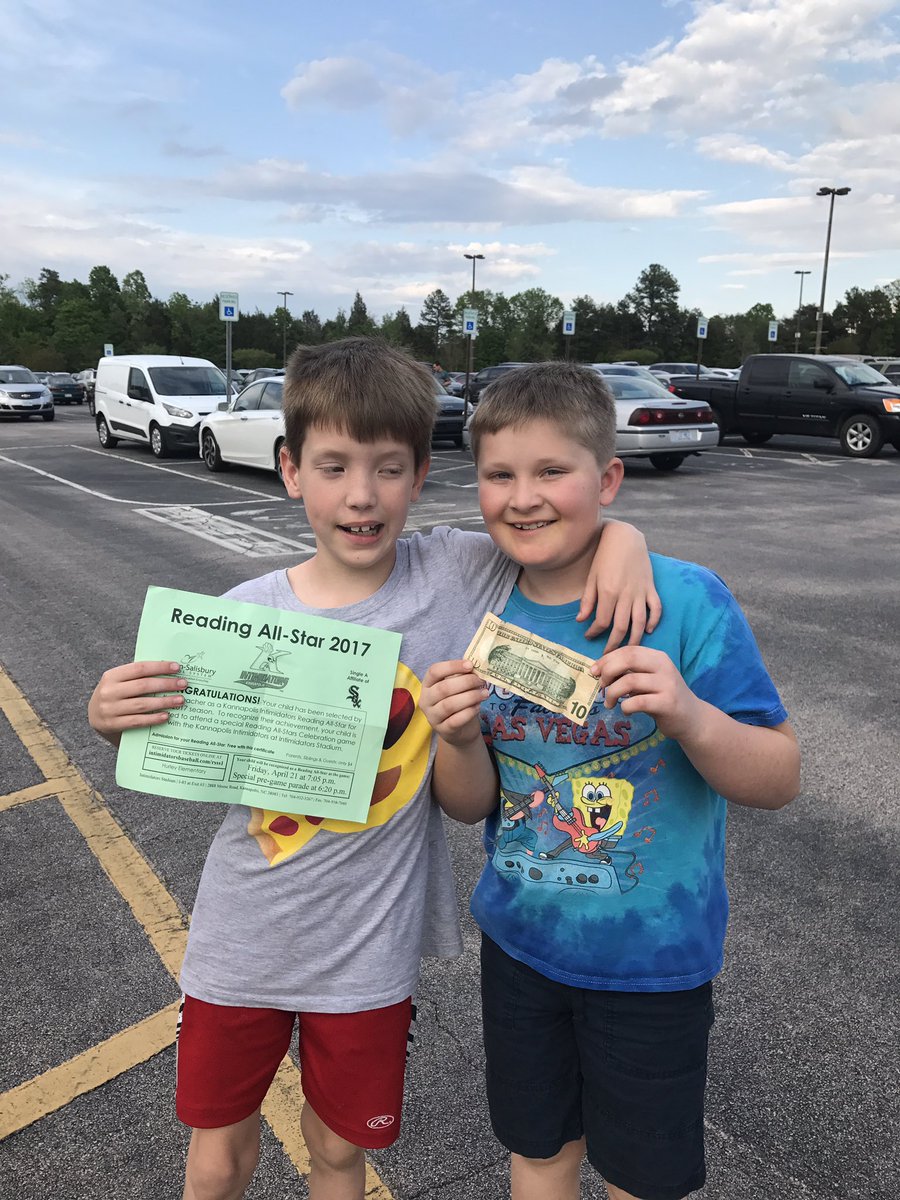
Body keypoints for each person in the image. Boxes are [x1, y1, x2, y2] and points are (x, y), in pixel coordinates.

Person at [87, 339, 658, 1200]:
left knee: (339, 1154)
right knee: (215, 1157)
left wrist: (627, 540)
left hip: (367, 953)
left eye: (388, 469)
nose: (362, 494)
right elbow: (163, 736)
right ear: (290, 470)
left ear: (421, 475)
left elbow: (559, 521)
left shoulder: (456, 573)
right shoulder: (239, 615)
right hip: (242, 937)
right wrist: (108, 719)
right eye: (334, 466)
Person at [420, 361, 801, 1200]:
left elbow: (779, 777)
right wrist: (454, 738)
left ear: (610, 477)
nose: (524, 497)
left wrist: (690, 716)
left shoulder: (686, 602)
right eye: (499, 475)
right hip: (521, 948)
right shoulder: (480, 607)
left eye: (553, 471)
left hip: (652, 963)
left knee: (641, 1178)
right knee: (539, 1155)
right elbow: (469, 806)